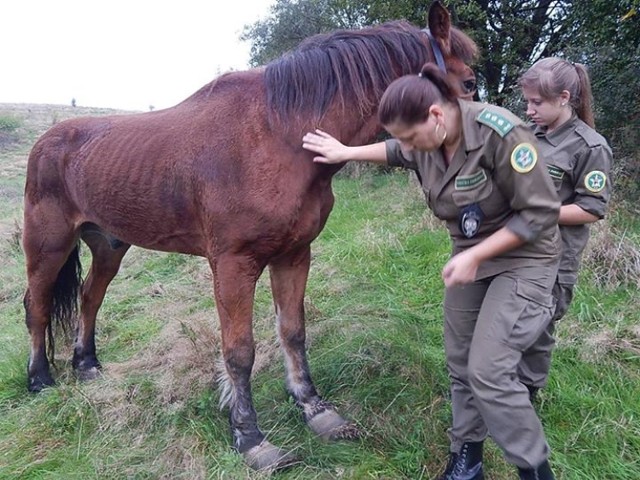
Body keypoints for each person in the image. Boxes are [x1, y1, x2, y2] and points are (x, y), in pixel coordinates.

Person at [302, 63, 562, 480]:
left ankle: (534, 468)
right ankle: (467, 461)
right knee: (461, 365)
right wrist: (347, 152)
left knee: (488, 371)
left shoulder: (503, 133)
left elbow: (541, 214)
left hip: (524, 258)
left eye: (409, 136)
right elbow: (393, 151)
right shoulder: (424, 140)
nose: (406, 146)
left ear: (436, 117)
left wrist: (478, 256)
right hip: (469, 257)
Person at [517, 58, 613, 400]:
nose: (529, 110)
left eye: (536, 102)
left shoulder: (590, 147)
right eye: (527, 101)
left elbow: (591, 208)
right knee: (510, 319)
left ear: (564, 97)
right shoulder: (529, 136)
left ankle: (527, 393)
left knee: (539, 328)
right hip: (517, 247)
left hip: (556, 255)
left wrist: (540, 211)